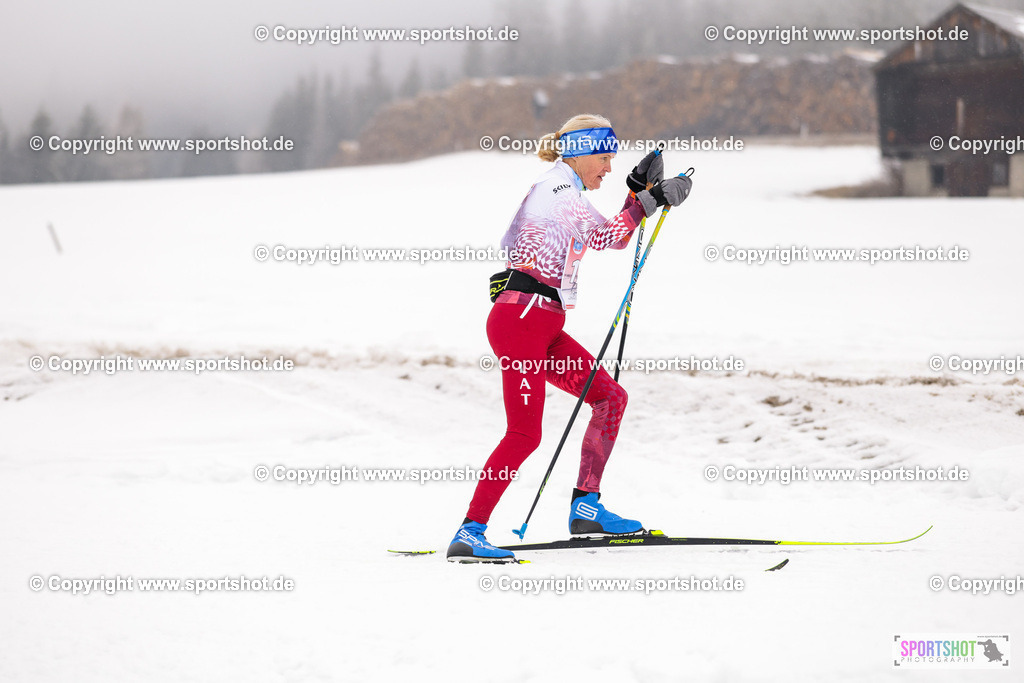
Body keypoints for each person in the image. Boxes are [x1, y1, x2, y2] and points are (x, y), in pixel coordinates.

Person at [447, 114, 692, 563]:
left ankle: (586, 509)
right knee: (524, 434)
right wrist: (648, 200)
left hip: (542, 322)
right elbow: (610, 236)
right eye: (604, 156)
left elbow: (601, 230)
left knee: (610, 398)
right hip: (521, 320)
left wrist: (637, 194)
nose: (609, 166)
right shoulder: (557, 190)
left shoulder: (567, 189)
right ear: (578, 152)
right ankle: (470, 531)